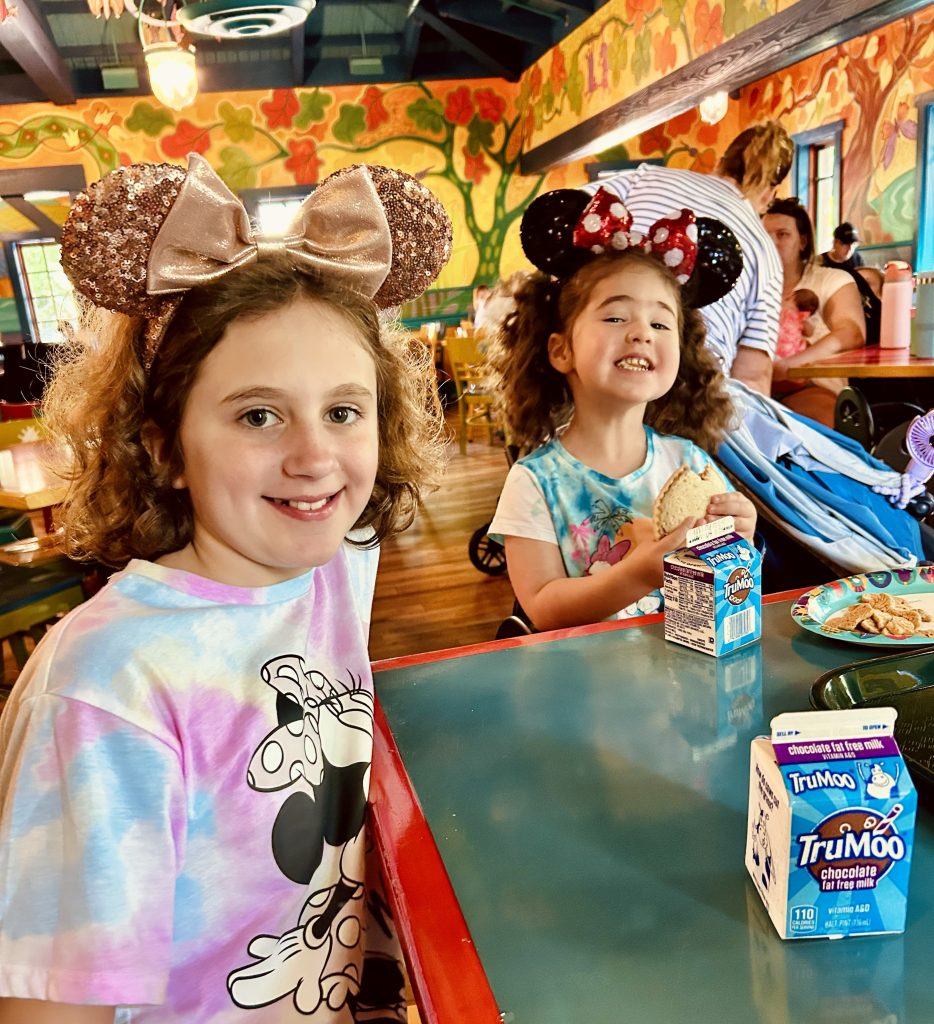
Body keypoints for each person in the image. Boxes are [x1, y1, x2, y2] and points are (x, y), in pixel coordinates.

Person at [0, 154, 453, 1022]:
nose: (314, 457)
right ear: (163, 446)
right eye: (258, 414)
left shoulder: (333, 563)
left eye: (343, 410)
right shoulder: (106, 695)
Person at [487, 191, 757, 631]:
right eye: (616, 318)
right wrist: (640, 573)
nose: (641, 334)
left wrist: (739, 540)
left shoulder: (690, 464)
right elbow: (541, 605)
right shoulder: (534, 482)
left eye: (660, 323)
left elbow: (722, 588)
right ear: (561, 350)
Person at [582, 121, 794, 395]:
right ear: (770, 193)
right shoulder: (764, 248)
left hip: (593, 359)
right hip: (687, 393)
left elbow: (568, 211)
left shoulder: (645, 177)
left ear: (720, 163)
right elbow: (752, 377)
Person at [763, 197, 866, 426]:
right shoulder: (751, 286)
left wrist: (792, 365)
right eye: (765, 235)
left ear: (803, 241)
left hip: (812, 387)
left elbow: (851, 333)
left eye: (782, 234)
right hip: (754, 387)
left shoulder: (831, 279)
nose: (771, 242)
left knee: (816, 421)